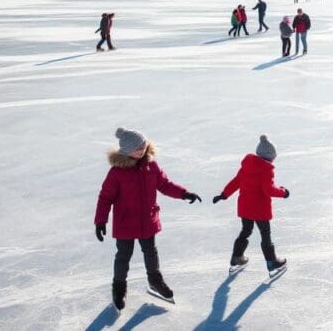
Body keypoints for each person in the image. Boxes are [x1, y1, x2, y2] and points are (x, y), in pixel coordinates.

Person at [95, 128, 201, 310]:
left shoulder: (151, 166)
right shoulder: (117, 172)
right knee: (123, 257)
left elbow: (165, 185)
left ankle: (155, 281)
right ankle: (119, 288)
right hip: (125, 222)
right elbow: (105, 197)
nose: (142, 149)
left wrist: (184, 193)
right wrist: (100, 221)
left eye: (143, 145)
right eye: (137, 148)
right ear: (127, 151)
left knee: (151, 252)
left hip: (147, 220)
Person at [214, 135, 289, 277]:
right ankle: (272, 262)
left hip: (245, 207)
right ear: (269, 157)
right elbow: (269, 189)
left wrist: (224, 194)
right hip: (260, 209)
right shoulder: (267, 169)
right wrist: (283, 192)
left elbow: (236, 182)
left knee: (246, 231)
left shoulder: (247, 165)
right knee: (265, 234)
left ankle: (237, 257)